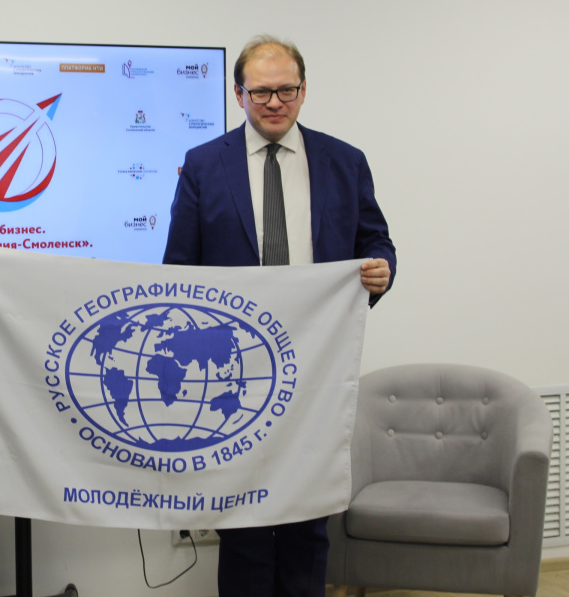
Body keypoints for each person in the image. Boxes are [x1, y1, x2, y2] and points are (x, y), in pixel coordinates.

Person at [162, 36, 397, 597]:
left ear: (304, 90)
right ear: (238, 93)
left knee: (307, 518)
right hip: (230, 371)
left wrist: (381, 270)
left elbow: (376, 241)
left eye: (286, 90)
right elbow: (179, 267)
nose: (274, 102)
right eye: (261, 91)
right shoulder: (203, 164)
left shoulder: (344, 161)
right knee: (241, 515)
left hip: (315, 365)